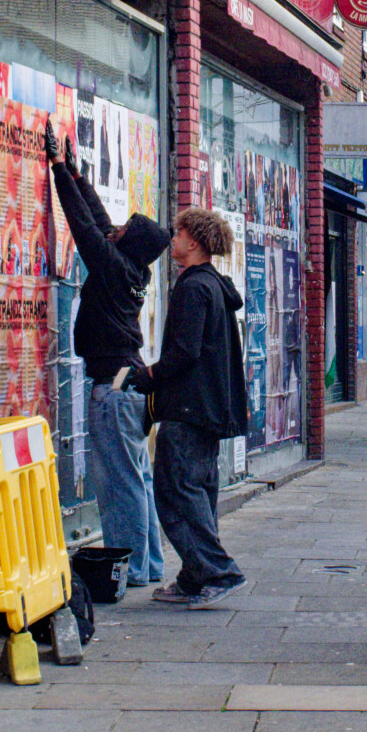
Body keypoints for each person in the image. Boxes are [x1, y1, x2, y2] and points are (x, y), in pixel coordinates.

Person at [46, 121, 172, 592]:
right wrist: (78, 176)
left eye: (123, 230)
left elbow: (84, 227)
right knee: (137, 479)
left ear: (128, 242)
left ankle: (133, 569)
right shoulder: (131, 269)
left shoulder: (113, 266)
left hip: (114, 390)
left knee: (120, 484)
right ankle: (150, 564)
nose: (114, 229)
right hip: (129, 385)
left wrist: (59, 169)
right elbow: (99, 223)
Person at [134, 207, 248, 609]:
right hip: (209, 408)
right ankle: (194, 576)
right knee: (197, 492)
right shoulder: (214, 285)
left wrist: (149, 374)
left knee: (175, 492)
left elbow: (185, 350)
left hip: (188, 407)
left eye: (178, 232)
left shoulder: (193, 288)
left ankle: (218, 572)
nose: (173, 239)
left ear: (193, 241)